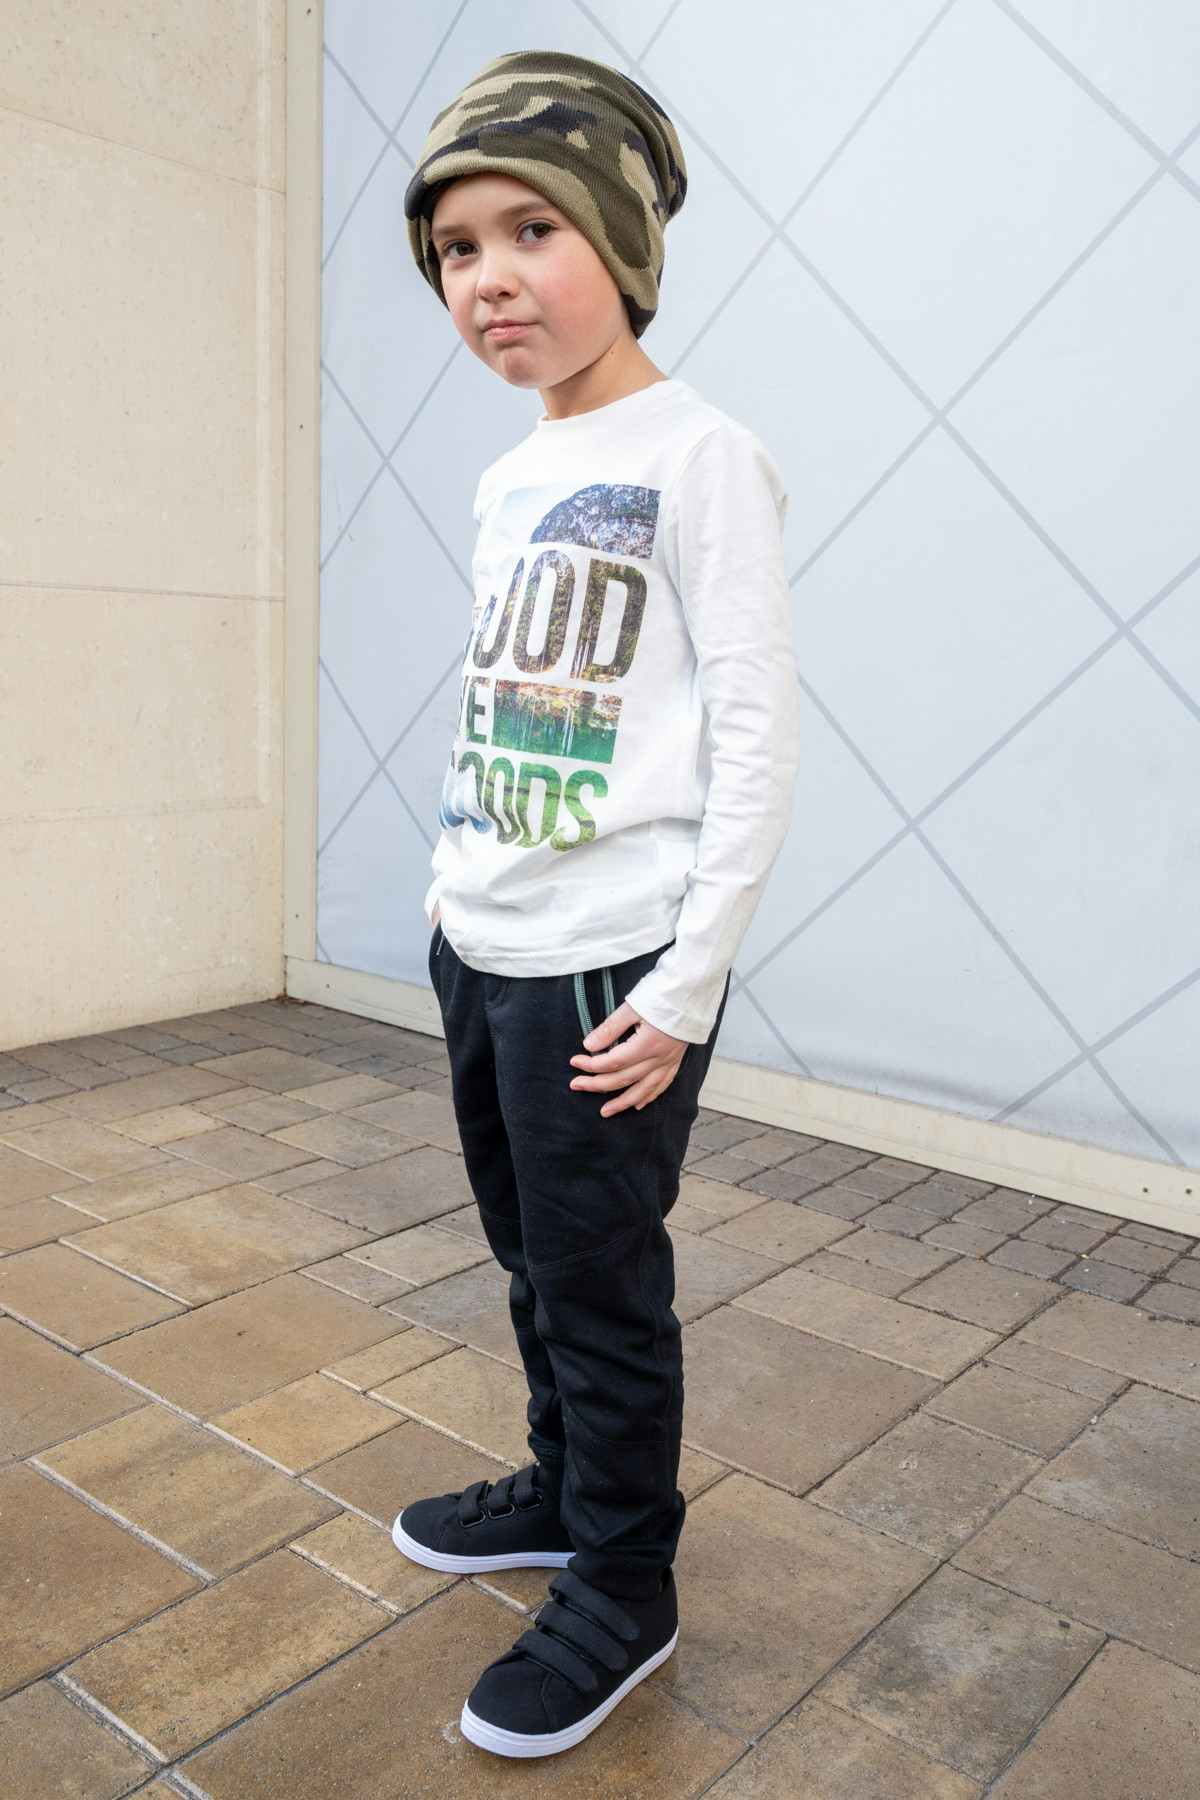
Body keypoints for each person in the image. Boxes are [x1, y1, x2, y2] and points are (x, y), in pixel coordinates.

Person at [392, 48, 802, 1760]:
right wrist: (448, 901)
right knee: (529, 1258)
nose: (488, 277)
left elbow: (757, 736)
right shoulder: (511, 473)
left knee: (602, 1278)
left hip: (607, 973)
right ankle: (566, 1489)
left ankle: (626, 1580)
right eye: (454, 248)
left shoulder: (703, 455)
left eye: (531, 229)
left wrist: (688, 983)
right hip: (479, 940)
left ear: (621, 243)